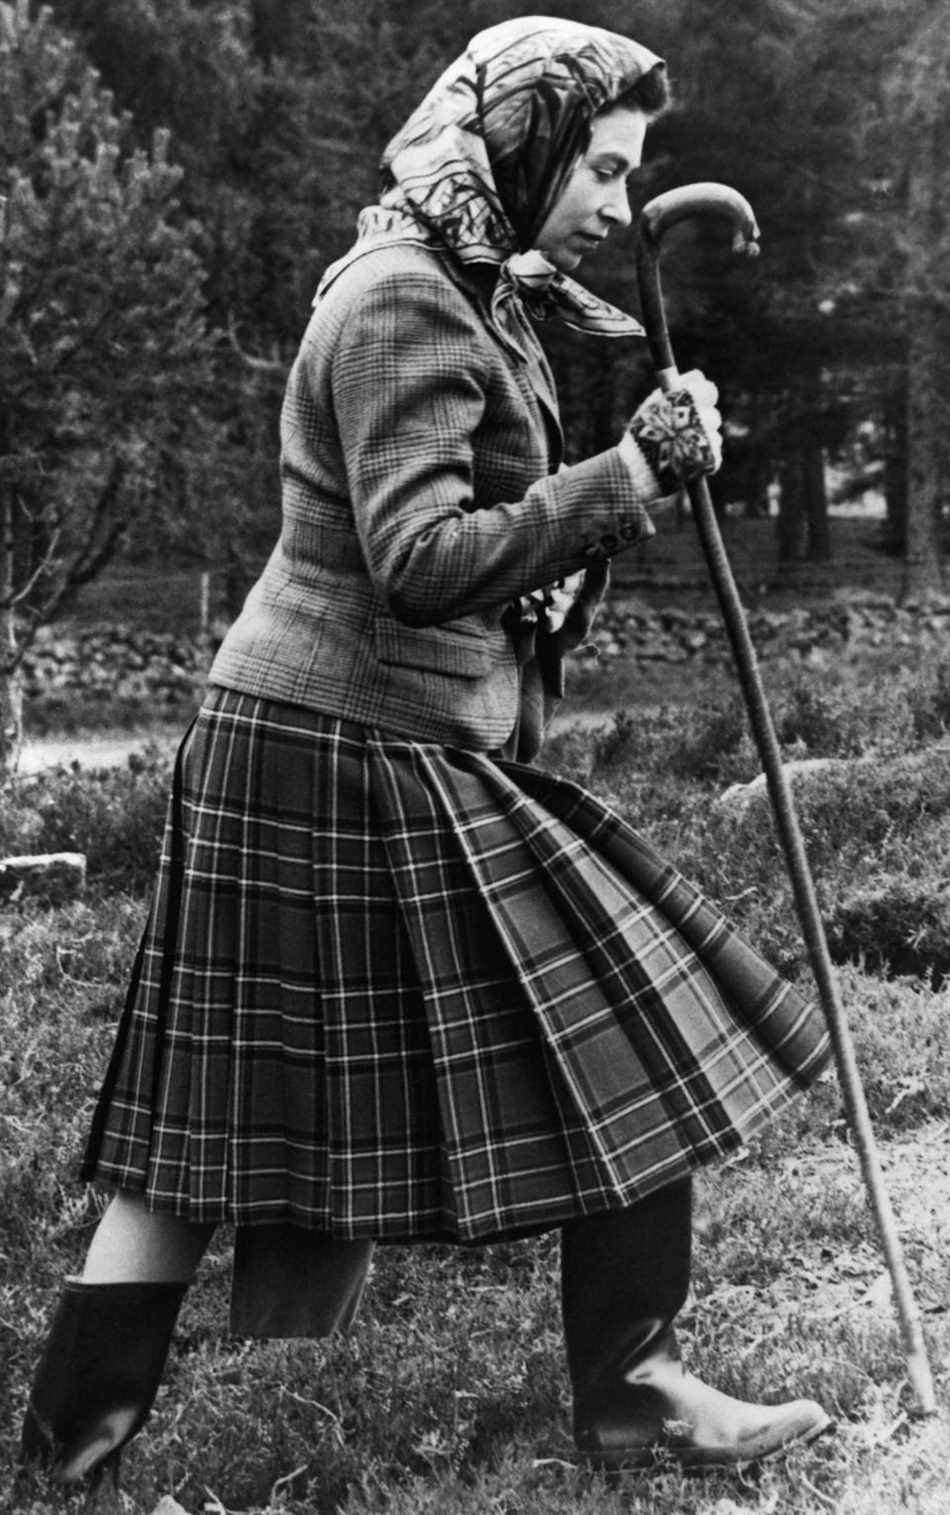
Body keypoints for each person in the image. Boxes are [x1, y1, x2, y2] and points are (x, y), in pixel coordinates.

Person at [19, 14, 833, 1491]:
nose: (610, 201)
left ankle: (62, 1464)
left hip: (335, 735)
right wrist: (623, 472)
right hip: (335, 742)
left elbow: (496, 552)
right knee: (621, 1001)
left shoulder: (468, 285)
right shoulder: (405, 298)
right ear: (512, 144)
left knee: (205, 1137)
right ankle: (624, 1391)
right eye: (593, 164)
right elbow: (411, 556)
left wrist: (616, 494)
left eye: (626, 172)